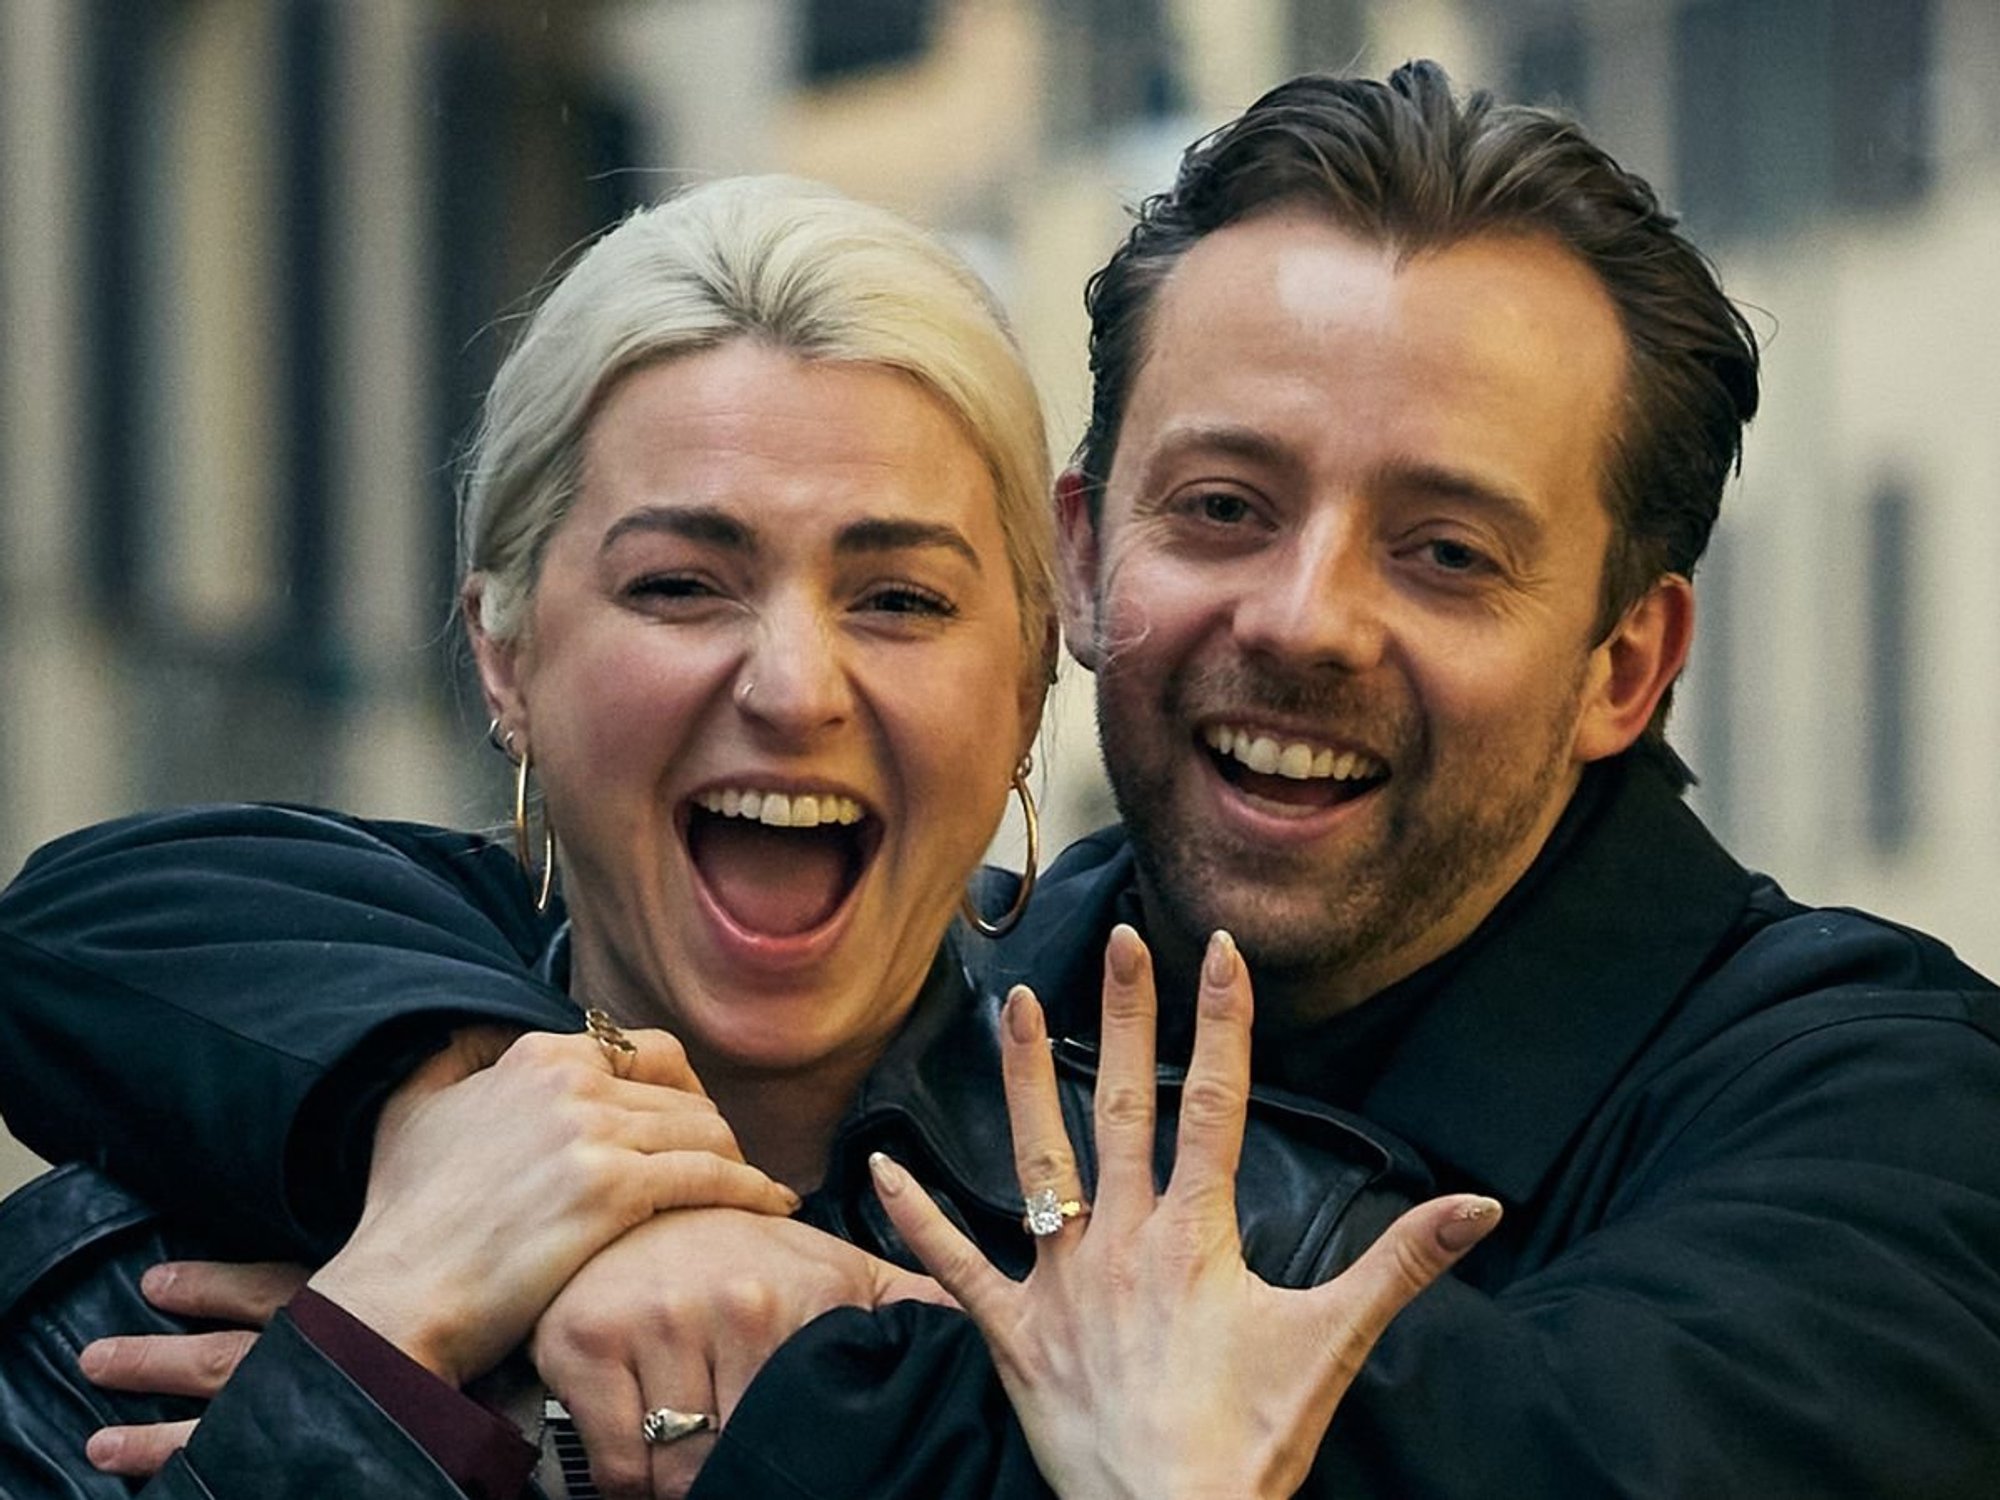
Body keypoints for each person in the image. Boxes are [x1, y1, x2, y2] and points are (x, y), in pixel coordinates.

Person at [9, 58, 2000, 1496]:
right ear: (1082, 565)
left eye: (1444, 551)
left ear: (1624, 663)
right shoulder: (967, 991)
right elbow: (128, 917)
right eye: (1223, 503)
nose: (1304, 618)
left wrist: (716, 1362)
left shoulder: (1882, 1092)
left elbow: (1525, 1463)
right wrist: (532, 1160)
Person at [0, 169, 1481, 1500]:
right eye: (681, 586)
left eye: (900, 598)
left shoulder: (1285, 1267)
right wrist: (386, 1343)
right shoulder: (137, 1294)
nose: (792, 687)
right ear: (507, 657)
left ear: (1031, 677)